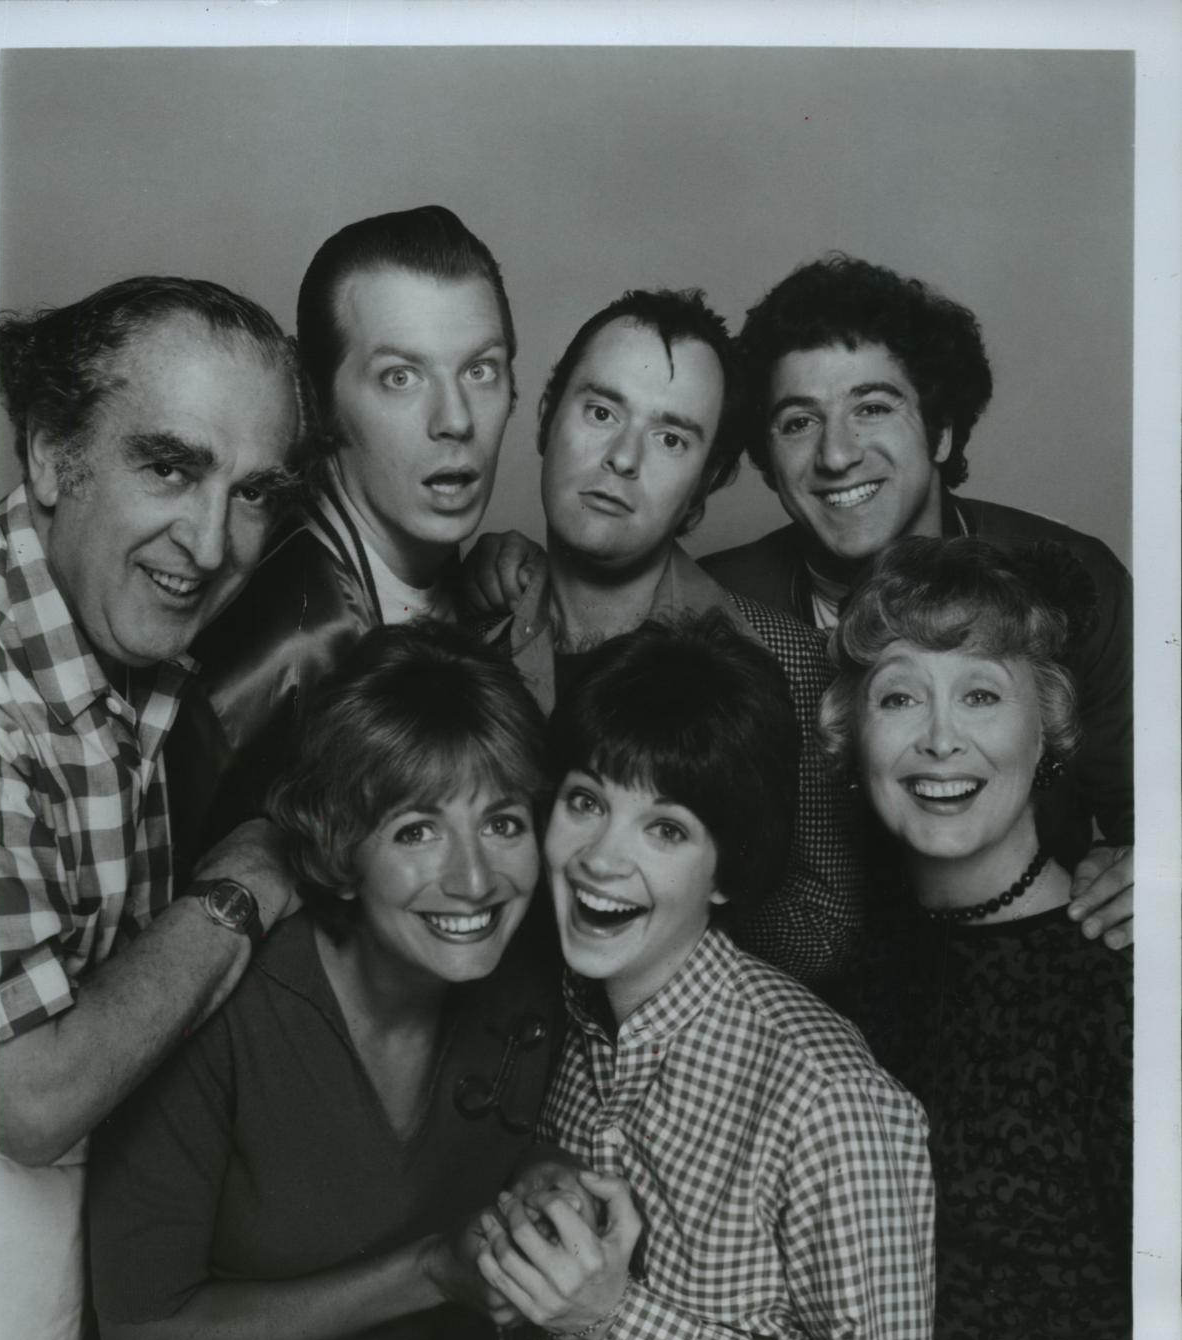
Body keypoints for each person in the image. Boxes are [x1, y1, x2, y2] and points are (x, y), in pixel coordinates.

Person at [69, 623, 562, 1340]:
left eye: (503, 821)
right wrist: (426, 1271)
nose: (474, 878)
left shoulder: (524, 997)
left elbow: (485, 1155)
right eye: (416, 829)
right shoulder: (228, 1006)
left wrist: (548, 1178)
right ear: (340, 845)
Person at [476, 613, 936, 1340]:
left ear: (728, 871)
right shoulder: (564, 1014)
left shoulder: (827, 1099)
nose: (604, 857)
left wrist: (618, 1317)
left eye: (668, 827)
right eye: (585, 801)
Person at [0, 275, 306, 1340]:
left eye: (252, 494)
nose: (212, 538)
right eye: (170, 466)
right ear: (53, 454)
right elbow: (32, 1095)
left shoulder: (125, 658)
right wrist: (251, 876)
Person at [818, 535, 1132, 1340]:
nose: (939, 741)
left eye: (983, 697)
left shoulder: (1126, 979)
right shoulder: (844, 987)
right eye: (901, 697)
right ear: (852, 740)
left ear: (1051, 727)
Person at [701, 253, 1133, 948]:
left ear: (942, 432)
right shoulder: (714, 604)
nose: (836, 454)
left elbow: (1157, 813)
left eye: (872, 407)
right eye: (798, 422)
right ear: (768, 463)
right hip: (802, 996)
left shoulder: (1075, 582)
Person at [480, 287, 864, 988]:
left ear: (705, 484)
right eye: (600, 412)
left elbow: (823, 926)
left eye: (670, 437)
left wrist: (672, 883)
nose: (622, 458)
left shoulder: (782, 661)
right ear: (545, 419)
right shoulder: (470, 628)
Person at [172, 204, 518, 857]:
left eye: (480, 370)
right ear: (318, 400)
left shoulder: (420, 532)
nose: (455, 420)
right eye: (400, 377)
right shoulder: (280, 663)